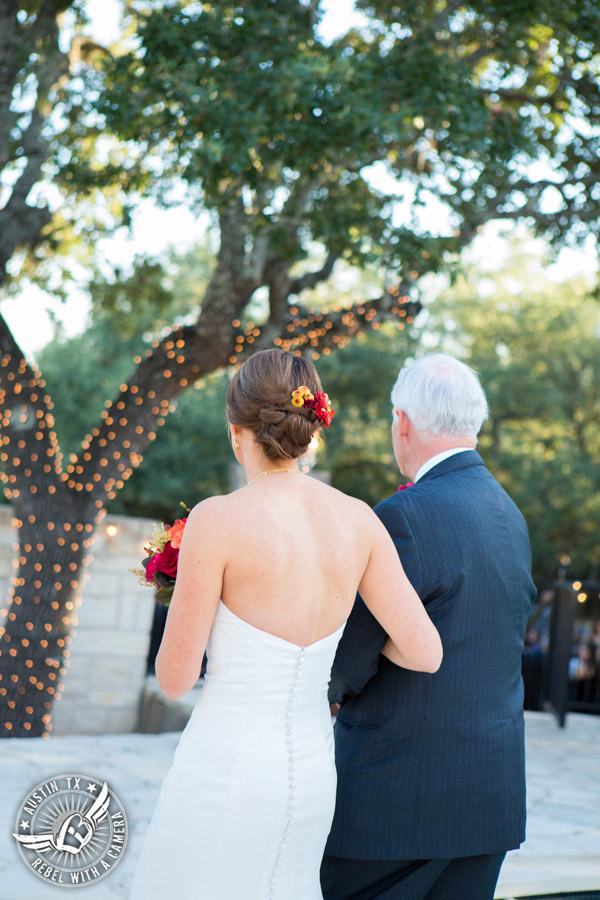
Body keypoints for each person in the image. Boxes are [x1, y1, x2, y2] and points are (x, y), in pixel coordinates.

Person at [128, 348, 442, 900]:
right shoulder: (359, 520)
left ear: (236, 430)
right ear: (310, 426)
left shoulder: (217, 519)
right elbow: (425, 652)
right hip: (312, 773)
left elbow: (175, 679)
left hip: (223, 769)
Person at [321, 353, 536, 900]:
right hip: (487, 798)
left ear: (404, 421)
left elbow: (351, 653)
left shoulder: (403, 516)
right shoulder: (509, 514)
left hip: (397, 801)